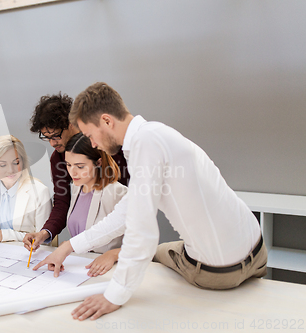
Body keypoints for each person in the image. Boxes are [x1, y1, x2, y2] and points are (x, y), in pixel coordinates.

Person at [34, 82, 267, 321]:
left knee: (155, 251)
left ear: (106, 121)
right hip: (258, 251)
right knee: (164, 247)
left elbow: (141, 233)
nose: (92, 144)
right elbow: (127, 212)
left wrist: (114, 296)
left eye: (91, 136)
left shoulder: (144, 147)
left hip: (219, 273)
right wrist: (67, 247)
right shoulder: (157, 134)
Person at [22, 93, 130, 251]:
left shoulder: (110, 147)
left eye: (56, 136)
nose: (52, 143)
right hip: (86, 254)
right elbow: (62, 203)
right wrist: (45, 233)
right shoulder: (59, 161)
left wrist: (116, 253)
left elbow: (134, 213)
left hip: (116, 249)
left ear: (71, 124)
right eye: (47, 138)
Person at [64, 133, 127, 277]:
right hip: (81, 267)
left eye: (80, 166)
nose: (72, 172)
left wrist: (113, 254)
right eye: (68, 165)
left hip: (111, 270)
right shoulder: (76, 187)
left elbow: (143, 243)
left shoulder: (118, 192)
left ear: (98, 163)